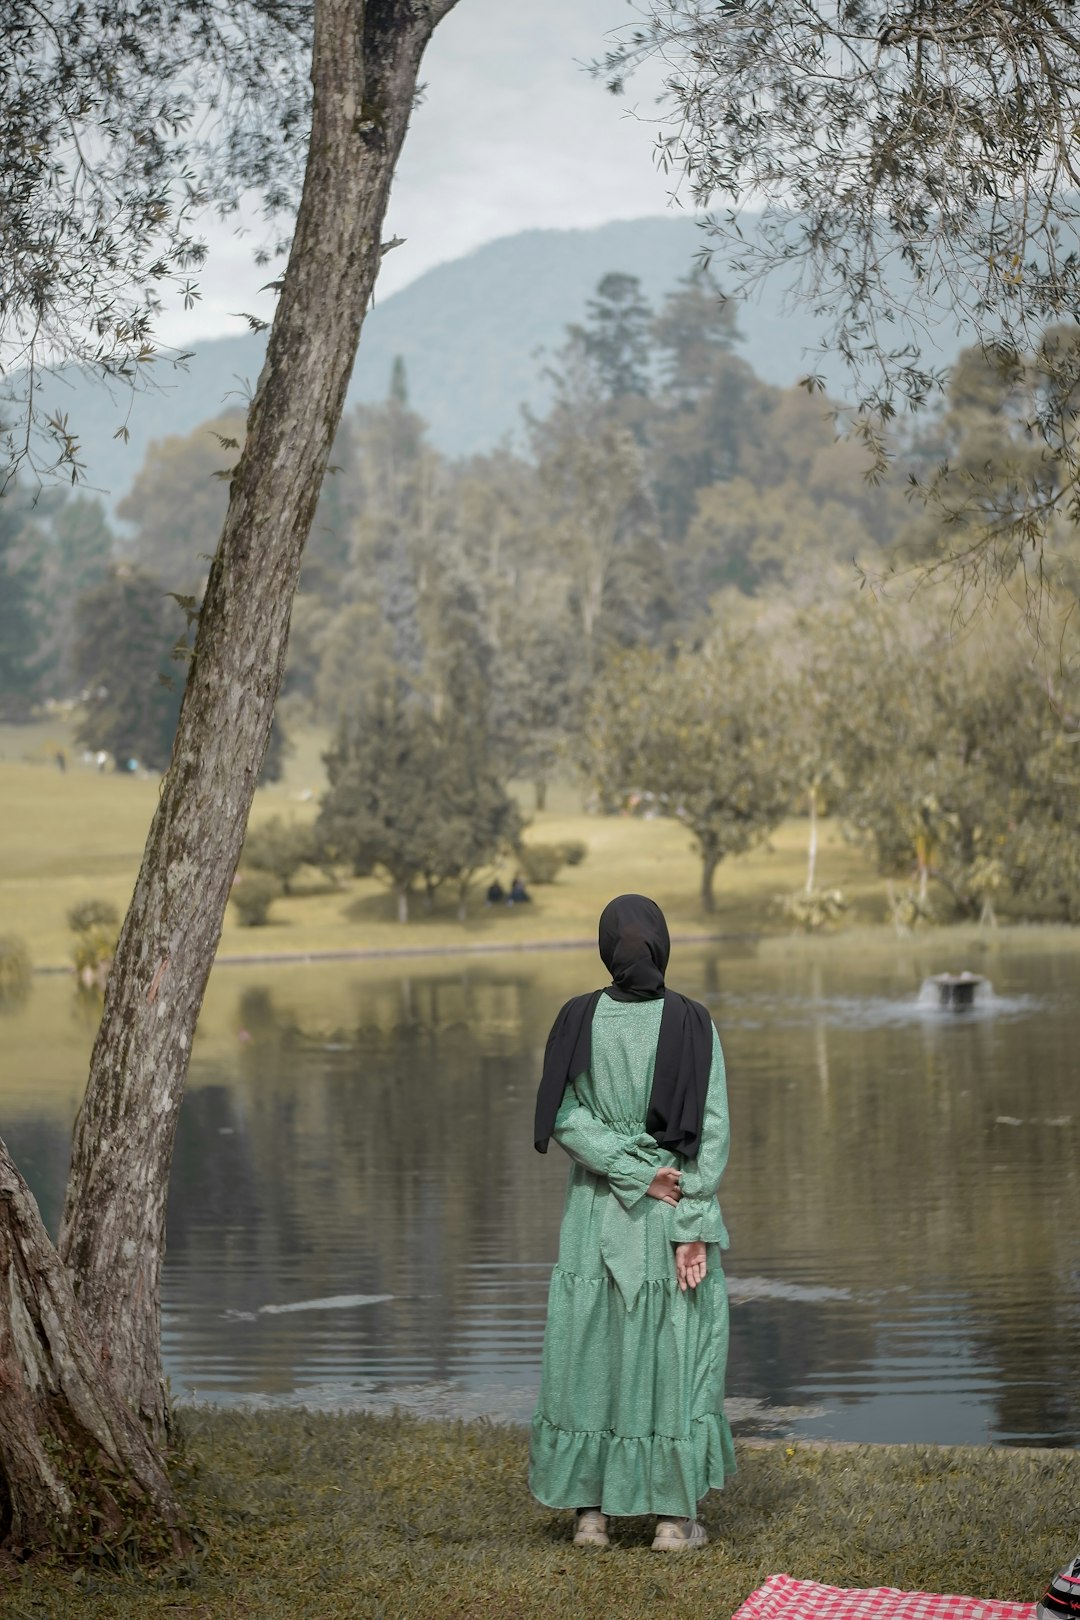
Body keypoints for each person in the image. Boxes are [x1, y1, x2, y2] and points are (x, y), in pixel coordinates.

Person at [529, 893, 734, 1552]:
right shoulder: (694, 1023)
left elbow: (562, 1115)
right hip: (669, 1210)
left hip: (595, 1215)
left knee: (592, 1353)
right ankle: (673, 1521)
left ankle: (591, 1518)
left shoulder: (575, 1018)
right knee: (674, 1352)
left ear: (604, 946)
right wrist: (691, 1218)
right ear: (663, 945)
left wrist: (621, 1167)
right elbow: (712, 1128)